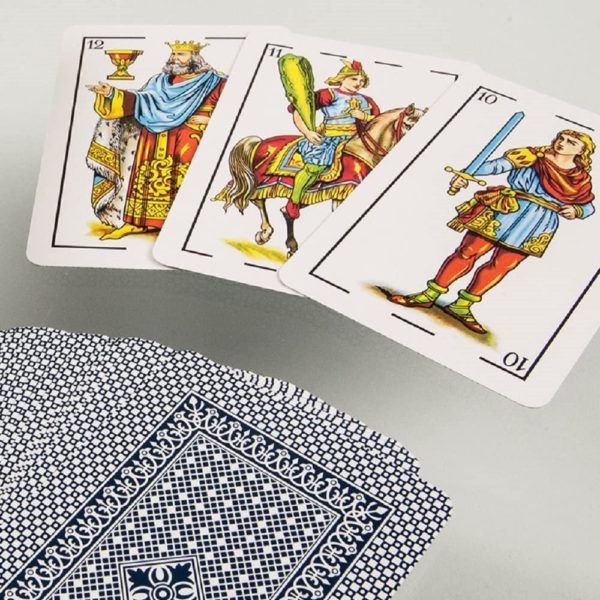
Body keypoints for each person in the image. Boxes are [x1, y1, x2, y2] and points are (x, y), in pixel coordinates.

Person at [387, 129, 595, 334]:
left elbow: (588, 207)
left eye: (571, 142)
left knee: (502, 265)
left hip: (538, 224)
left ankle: (461, 306)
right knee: (467, 252)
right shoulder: (530, 155)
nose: (562, 143)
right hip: (504, 209)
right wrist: (468, 173)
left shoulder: (579, 178)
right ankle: (429, 295)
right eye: (561, 138)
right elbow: (495, 166)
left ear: (581, 151)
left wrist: (576, 210)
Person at [86, 40, 226, 240]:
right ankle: (137, 223)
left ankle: (186, 227)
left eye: (181, 54)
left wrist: (209, 119)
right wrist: (111, 93)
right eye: (173, 53)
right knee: (144, 180)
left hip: (189, 138)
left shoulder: (216, 82)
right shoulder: (159, 81)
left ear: (195, 57)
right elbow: (141, 100)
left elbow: (234, 110)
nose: (175, 58)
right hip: (152, 138)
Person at [284, 59, 380, 220]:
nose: (358, 83)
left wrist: (364, 116)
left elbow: (378, 120)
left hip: (357, 140)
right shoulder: (329, 94)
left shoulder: (367, 100)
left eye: (362, 80)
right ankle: (294, 200)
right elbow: (299, 110)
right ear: (342, 78)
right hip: (331, 139)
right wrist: (307, 133)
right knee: (315, 167)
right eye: (354, 79)